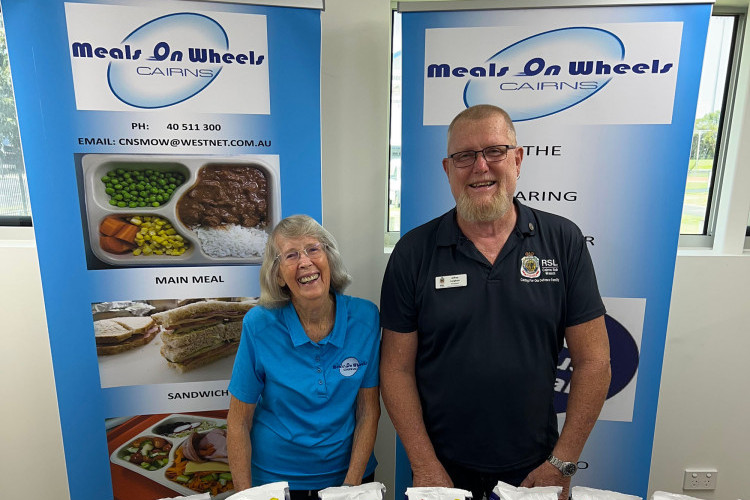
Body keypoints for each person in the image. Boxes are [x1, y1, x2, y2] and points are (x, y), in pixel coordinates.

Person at [379, 105, 611, 500]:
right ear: (447, 169)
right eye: (464, 156)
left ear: (517, 159)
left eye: (495, 151)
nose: (480, 166)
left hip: (537, 466)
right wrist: (423, 463)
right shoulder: (413, 251)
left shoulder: (563, 241)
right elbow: (396, 367)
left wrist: (563, 462)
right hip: (441, 467)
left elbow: (595, 361)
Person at [227, 215, 381, 498]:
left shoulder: (366, 317)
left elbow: (368, 411)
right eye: (291, 255)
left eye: (313, 249)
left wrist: (350, 488)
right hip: (276, 480)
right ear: (278, 275)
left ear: (329, 259)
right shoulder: (259, 324)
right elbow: (238, 422)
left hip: (350, 474)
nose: (305, 262)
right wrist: (245, 495)